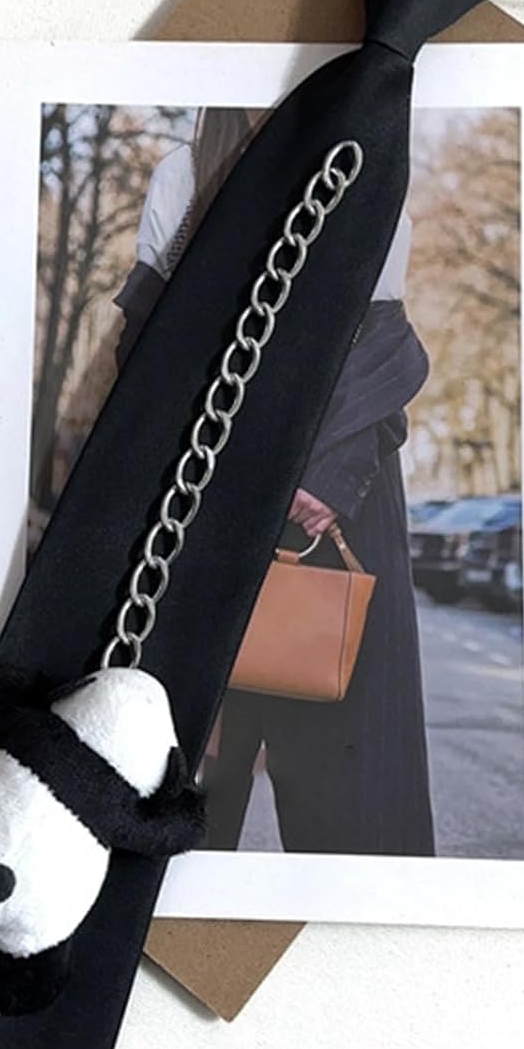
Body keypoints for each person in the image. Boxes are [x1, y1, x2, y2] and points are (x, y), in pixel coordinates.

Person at [112, 107, 436, 856]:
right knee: (185, 783)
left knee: (350, 797)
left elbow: (383, 334)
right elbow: (147, 343)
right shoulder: (186, 173)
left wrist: (331, 469)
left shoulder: (368, 167)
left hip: (338, 494)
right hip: (203, 493)